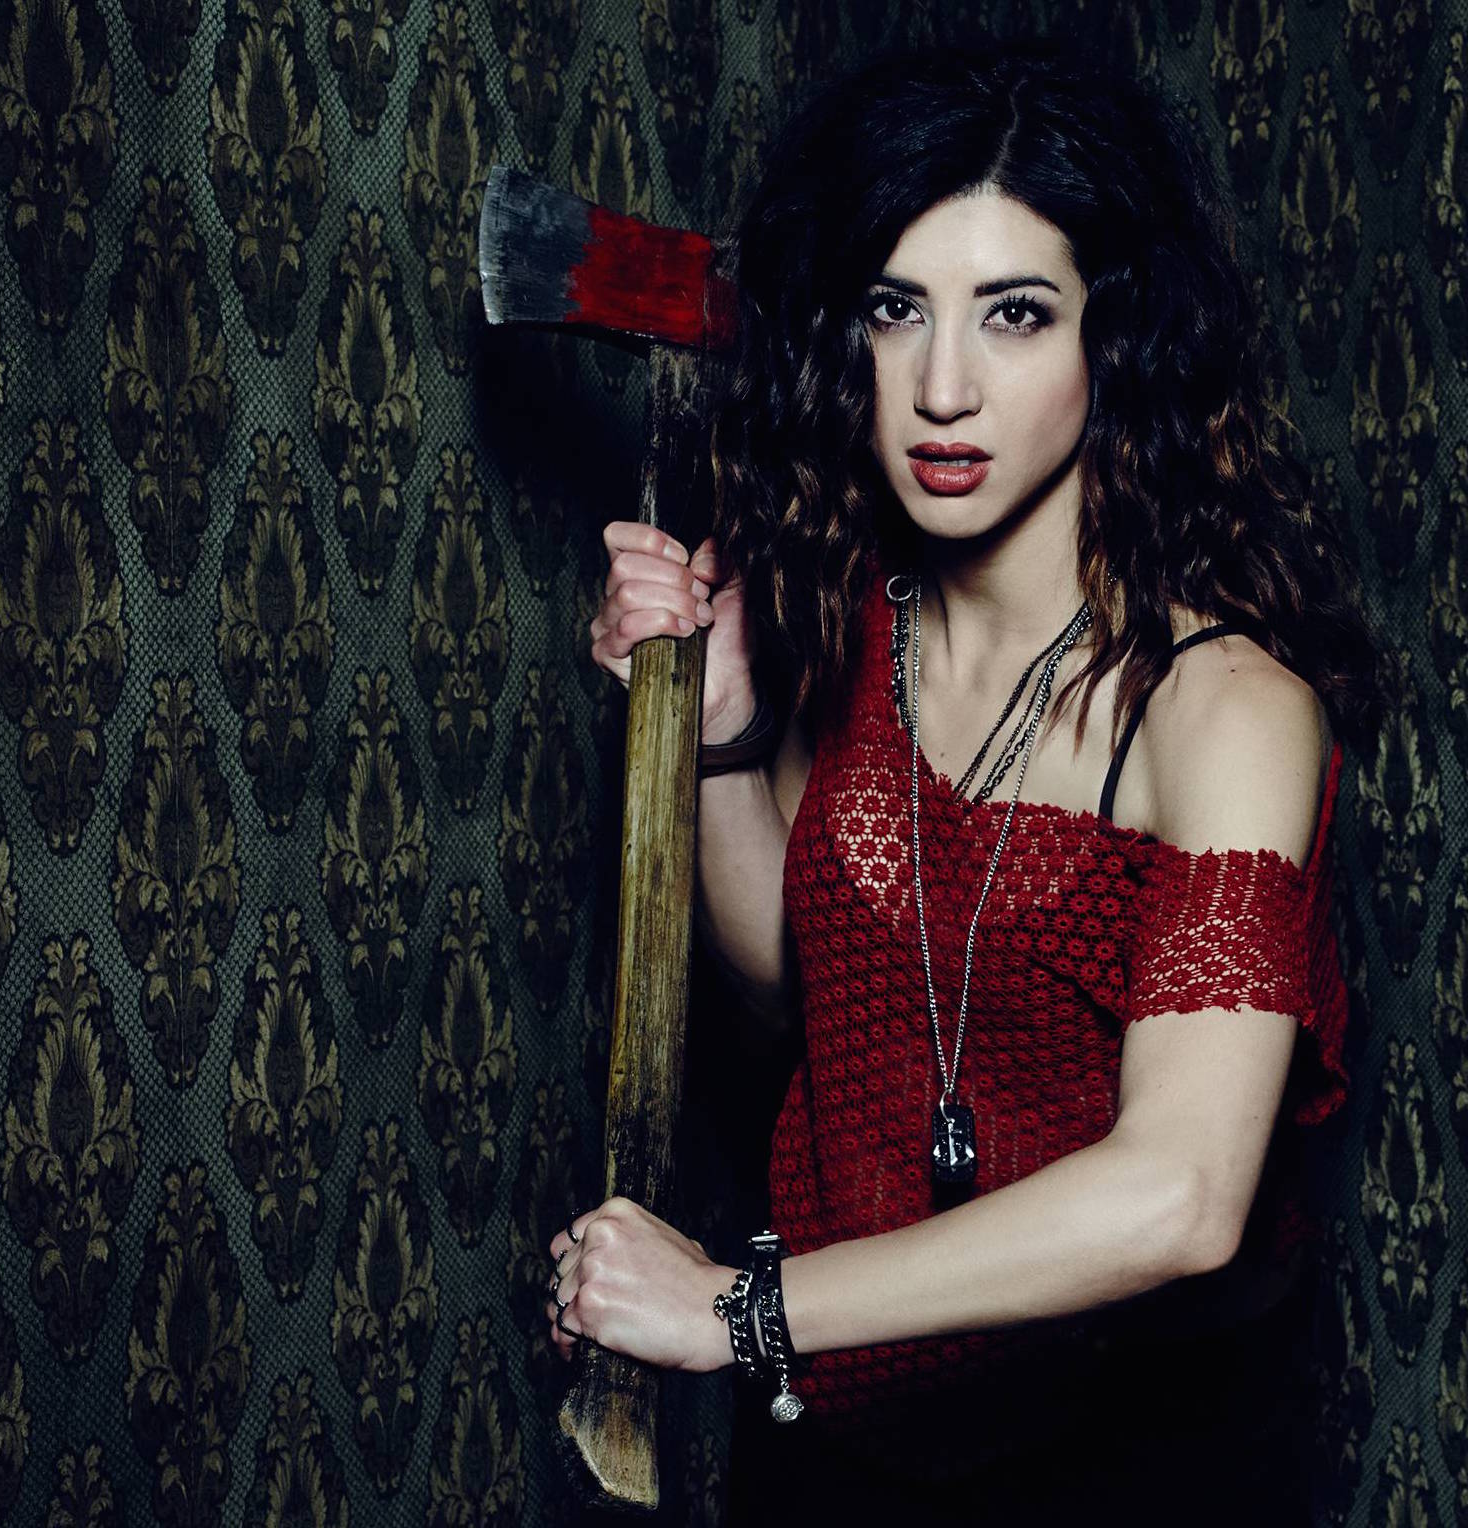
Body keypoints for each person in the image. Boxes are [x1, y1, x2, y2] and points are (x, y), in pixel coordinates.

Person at [547, 37, 1385, 1523]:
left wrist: (734, 1311)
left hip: (1126, 1471)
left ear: (1115, 339)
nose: (943, 387)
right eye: (898, 310)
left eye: (1014, 314)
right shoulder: (854, 612)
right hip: (831, 1445)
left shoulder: (1224, 709)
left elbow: (1185, 1196)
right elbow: (797, 997)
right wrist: (723, 742)